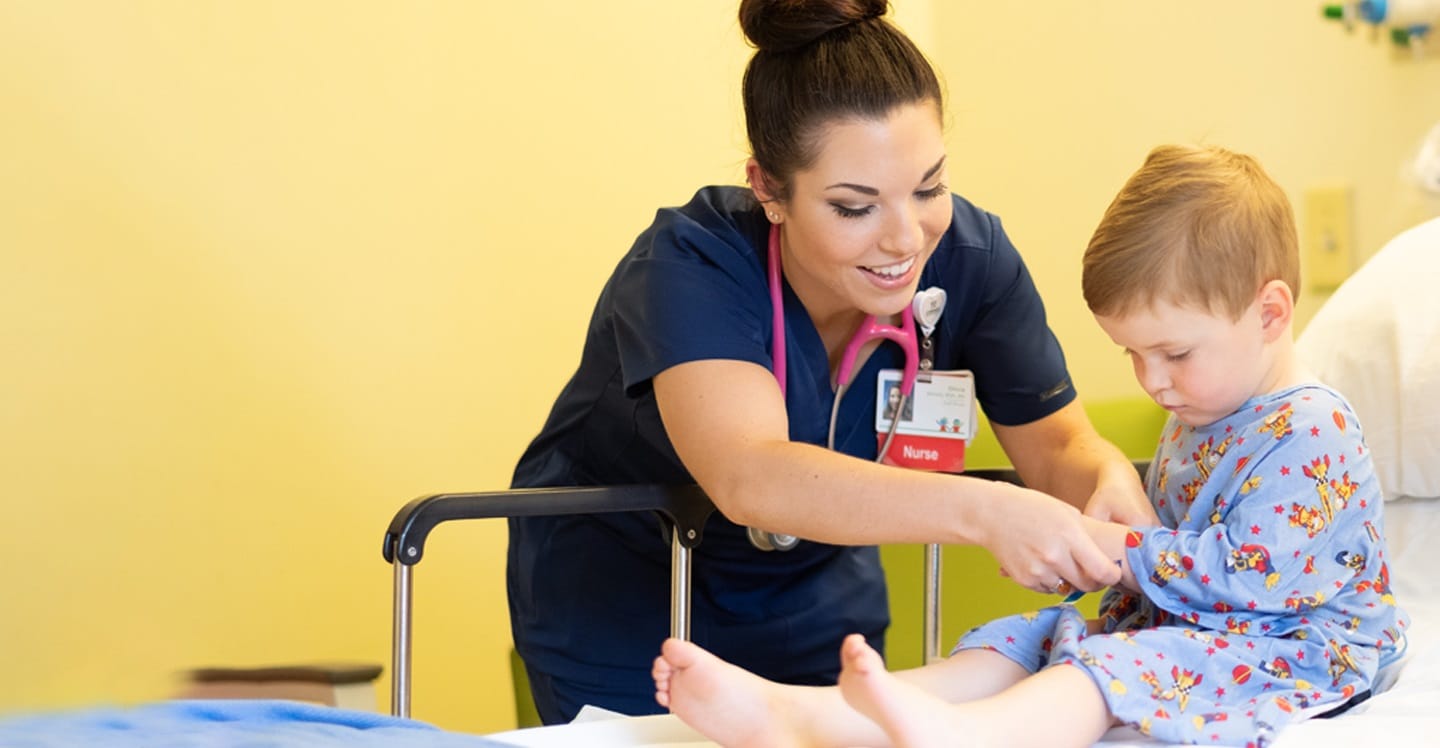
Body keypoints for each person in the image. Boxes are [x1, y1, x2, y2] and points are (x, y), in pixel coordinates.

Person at [508, 0, 1152, 724]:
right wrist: (986, 510)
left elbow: (1060, 443)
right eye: (855, 207)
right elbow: (750, 473)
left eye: (929, 187)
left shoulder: (971, 261)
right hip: (633, 601)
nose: (906, 238)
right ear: (768, 189)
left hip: (818, 597)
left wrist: (1104, 487)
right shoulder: (693, 264)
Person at [652, 144, 1411, 747]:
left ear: (1271, 313)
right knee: (1028, 635)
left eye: (1174, 354)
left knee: (1109, 663)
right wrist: (1118, 564)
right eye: (1131, 357)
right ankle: (805, 716)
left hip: (1303, 646)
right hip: (1205, 621)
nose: (1153, 381)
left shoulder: (1308, 429)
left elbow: (1262, 584)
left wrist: (1124, 553)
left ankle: (973, 736)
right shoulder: (1207, 408)